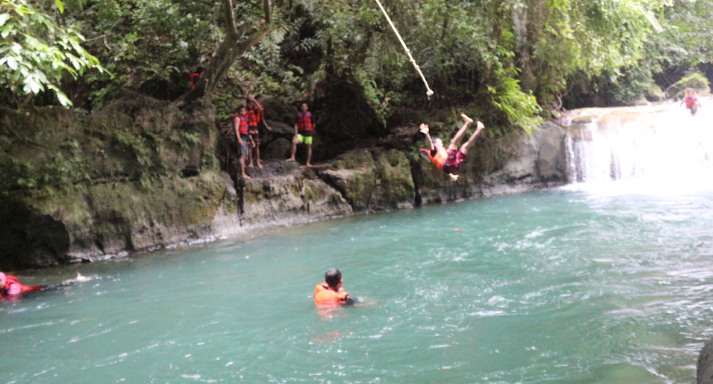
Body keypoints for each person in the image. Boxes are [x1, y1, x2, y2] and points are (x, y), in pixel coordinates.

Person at [419, 114, 485, 181]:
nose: (441, 144)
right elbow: (429, 143)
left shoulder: (439, 153)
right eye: (440, 142)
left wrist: (451, 175)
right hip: (450, 165)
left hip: (454, 167)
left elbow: (447, 167)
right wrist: (427, 134)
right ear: (435, 143)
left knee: (465, 147)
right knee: (453, 142)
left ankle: (478, 129)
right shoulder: (433, 151)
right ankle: (467, 123)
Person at [246, 95, 273, 169]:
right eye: (250, 103)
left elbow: (260, 110)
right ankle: (251, 161)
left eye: (252, 103)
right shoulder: (246, 111)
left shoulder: (255, 109)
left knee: (257, 145)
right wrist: (253, 100)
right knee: (250, 146)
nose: (251, 105)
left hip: (256, 127)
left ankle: (257, 160)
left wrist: (254, 100)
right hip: (249, 128)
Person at [286, 103, 314, 167]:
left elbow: (313, 123)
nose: (304, 108)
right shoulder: (298, 115)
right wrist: (296, 134)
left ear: (307, 108)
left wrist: (311, 131)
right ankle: (292, 157)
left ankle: (308, 162)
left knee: (309, 147)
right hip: (300, 133)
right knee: (294, 142)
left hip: (308, 133)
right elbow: (296, 124)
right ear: (301, 108)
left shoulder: (310, 115)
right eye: (302, 106)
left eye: (305, 106)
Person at [231, 106, 252, 179]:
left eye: (244, 111)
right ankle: (242, 173)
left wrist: (251, 140)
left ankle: (242, 172)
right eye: (241, 111)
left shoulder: (245, 119)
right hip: (241, 138)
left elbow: (247, 131)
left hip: (245, 138)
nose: (243, 112)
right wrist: (239, 139)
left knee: (245, 155)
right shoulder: (237, 118)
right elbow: (236, 130)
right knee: (242, 156)